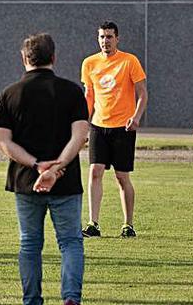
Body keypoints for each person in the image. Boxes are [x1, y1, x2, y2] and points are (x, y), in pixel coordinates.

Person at [0, 33, 89, 305]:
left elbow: (3, 142)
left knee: (30, 244)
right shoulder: (72, 91)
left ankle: (32, 299)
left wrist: (37, 166)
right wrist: (57, 167)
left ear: (24, 59)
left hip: (25, 181)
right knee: (70, 242)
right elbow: (80, 136)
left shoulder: (8, 94)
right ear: (54, 58)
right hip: (66, 181)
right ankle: (71, 298)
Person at [80, 21, 147, 238]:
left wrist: (136, 117)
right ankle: (93, 224)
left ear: (117, 38)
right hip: (99, 126)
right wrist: (82, 123)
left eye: (109, 37)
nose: (105, 41)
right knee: (95, 171)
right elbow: (89, 96)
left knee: (121, 177)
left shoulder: (129, 61)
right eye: (101, 37)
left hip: (123, 128)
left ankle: (128, 225)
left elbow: (143, 94)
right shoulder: (89, 63)